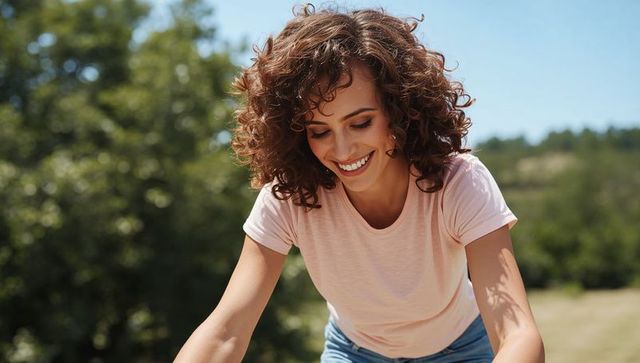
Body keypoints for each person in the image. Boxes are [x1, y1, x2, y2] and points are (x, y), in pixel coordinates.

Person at [175, 4, 544, 363]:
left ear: (399, 112)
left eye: (361, 122)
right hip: (353, 352)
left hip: (462, 348)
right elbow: (227, 331)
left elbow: (518, 335)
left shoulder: (459, 182)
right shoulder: (289, 196)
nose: (342, 149)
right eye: (319, 131)